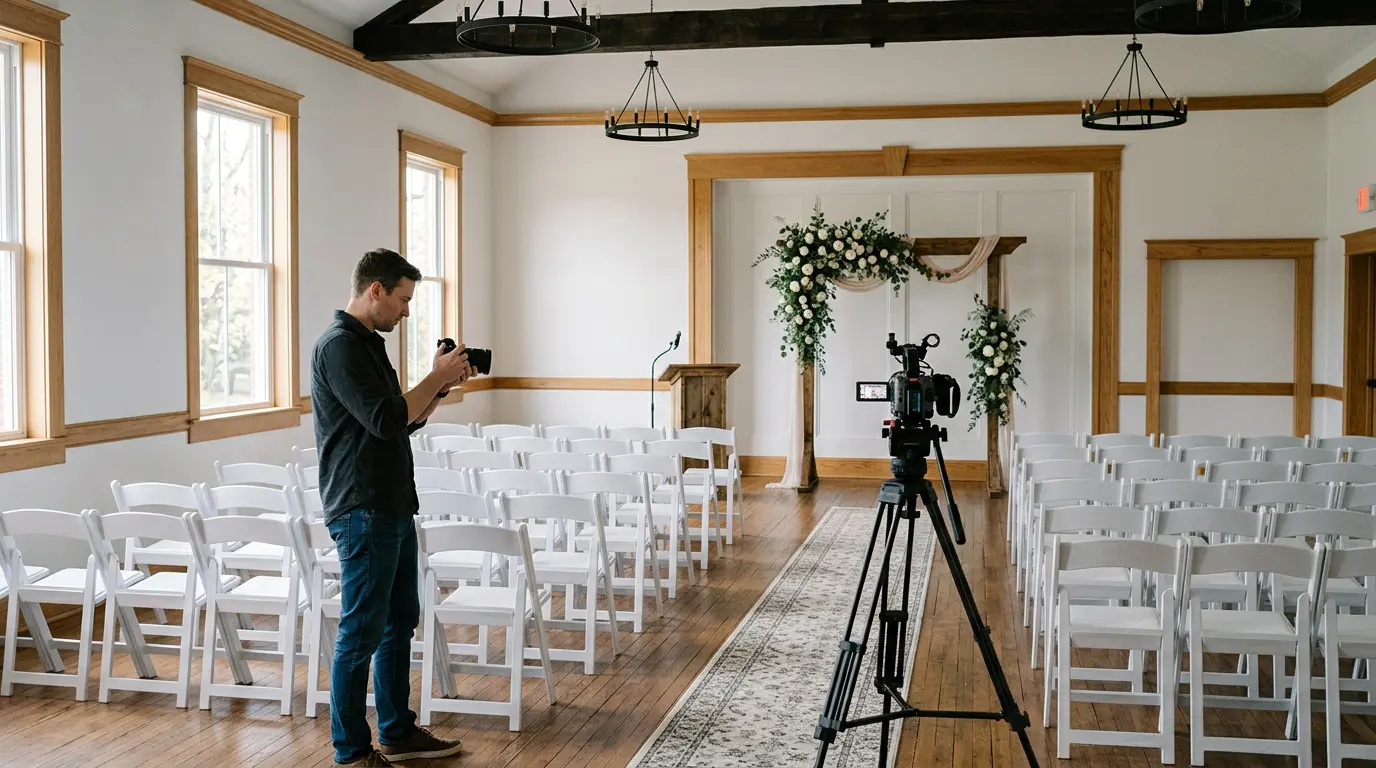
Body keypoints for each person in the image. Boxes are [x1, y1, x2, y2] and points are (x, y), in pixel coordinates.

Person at [311, 248, 472, 766]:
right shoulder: (339, 347)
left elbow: (399, 420)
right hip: (362, 507)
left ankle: (397, 733)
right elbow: (383, 419)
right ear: (375, 290)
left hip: (392, 503)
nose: (406, 312)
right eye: (403, 299)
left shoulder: (368, 344)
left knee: (399, 619)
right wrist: (432, 379)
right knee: (360, 631)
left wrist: (439, 386)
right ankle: (352, 752)